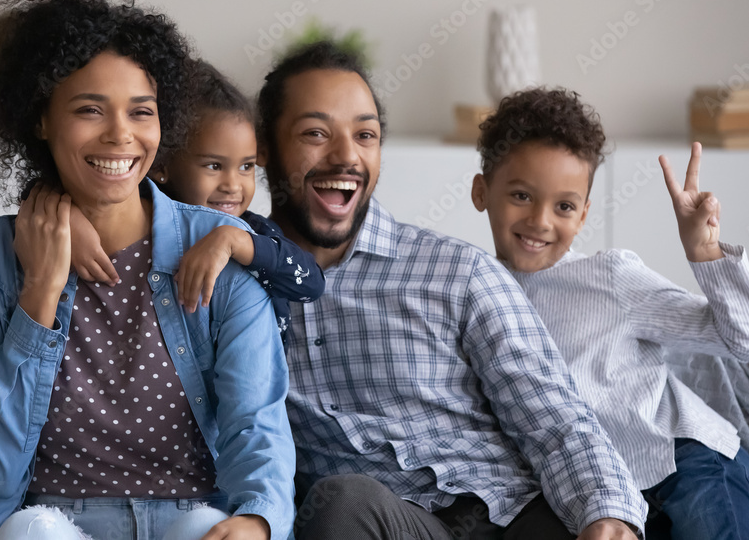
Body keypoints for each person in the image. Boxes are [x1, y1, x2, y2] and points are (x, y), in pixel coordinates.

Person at [0, 0, 294, 540]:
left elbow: (257, 424)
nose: (120, 135)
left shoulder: (218, 252)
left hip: (191, 516)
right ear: (40, 118)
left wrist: (257, 520)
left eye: (140, 111)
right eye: (89, 109)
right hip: (49, 522)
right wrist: (39, 294)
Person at [254, 41, 648, 539]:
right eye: (315, 133)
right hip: (396, 525)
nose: (346, 156)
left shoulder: (458, 272)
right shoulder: (237, 292)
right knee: (340, 501)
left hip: (515, 515)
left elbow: (556, 419)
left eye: (366, 135)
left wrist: (608, 517)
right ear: (262, 148)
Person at [468, 87, 749, 540]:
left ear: (584, 214)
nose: (541, 221)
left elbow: (747, 341)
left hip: (684, 462)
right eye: (521, 195)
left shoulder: (609, 278)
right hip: (602, 499)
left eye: (564, 206)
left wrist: (704, 250)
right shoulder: (472, 295)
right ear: (482, 192)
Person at [69, 61, 325, 340]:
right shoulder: (139, 222)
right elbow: (78, 189)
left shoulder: (254, 232)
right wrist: (68, 216)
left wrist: (232, 240)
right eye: (214, 166)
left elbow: (311, 284)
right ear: (161, 166)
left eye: (246, 166)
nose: (233, 185)